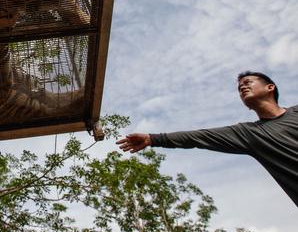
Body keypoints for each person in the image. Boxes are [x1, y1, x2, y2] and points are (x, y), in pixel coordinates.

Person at [117, 71, 298, 206]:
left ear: (270, 87)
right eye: (239, 87)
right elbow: (199, 137)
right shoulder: (248, 133)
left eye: (248, 82)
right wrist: (153, 138)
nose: (242, 87)